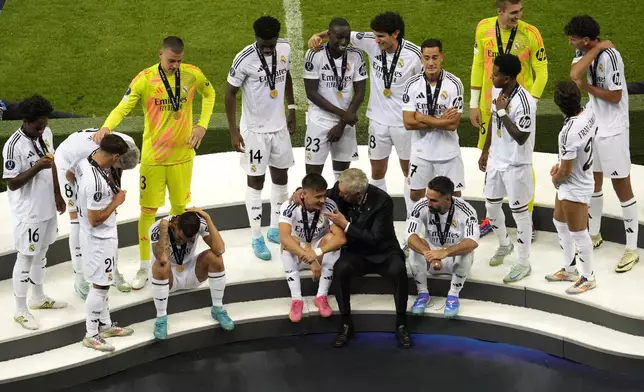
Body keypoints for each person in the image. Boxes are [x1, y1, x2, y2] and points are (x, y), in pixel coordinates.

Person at [93, 36, 216, 290]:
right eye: (171, 60)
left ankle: (180, 259)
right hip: (154, 159)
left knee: (180, 211)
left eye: (179, 61)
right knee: (148, 211)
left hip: (182, 157)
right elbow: (123, 107)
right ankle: (143, 265)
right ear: (160, 53)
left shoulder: (192, 74)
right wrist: (106, 126)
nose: (175, 65)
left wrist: (202, 125)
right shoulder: (145, 79)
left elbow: (210, 93)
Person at [308, 12, 423, 215]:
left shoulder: (414, 55)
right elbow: (342, 33)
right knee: (377, 173)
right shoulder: (370, 41)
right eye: (375, 36)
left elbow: (424, 87)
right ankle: (380, 217)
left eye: (381, 37)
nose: (376, 41)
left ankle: (412, 227)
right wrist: (318, 35)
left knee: (410, 174)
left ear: (395, 34)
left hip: (403, 124)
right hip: (377, 122)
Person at [470, 0, 548, 240]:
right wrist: (474, 104)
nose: (518, 16)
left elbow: (541, 71)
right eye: (514, 12)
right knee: (491, 157)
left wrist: (531, 103)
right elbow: (477, 64)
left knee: (521, 161)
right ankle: (490, 216)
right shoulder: (483, 28)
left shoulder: (530, 33)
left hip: (517, 108)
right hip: (489, 105)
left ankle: (529, 216)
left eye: (520, 11)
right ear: (500, 11)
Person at [567, 15, 638, 273]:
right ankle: (594, 234)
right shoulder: (590, 52)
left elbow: (616, 95)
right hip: (595, 126)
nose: (570, 42)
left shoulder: (611, 58)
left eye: (573, 38)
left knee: (621, 186)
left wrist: (587, 86)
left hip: (614, 130)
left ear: (584, 39)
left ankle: (631, 248)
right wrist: (596, 47)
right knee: (593, 182)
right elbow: (574, 74)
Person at [226, 16, 296, 262]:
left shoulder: (284, 48)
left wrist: (292, 108)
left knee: (281, 177)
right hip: (254, 131)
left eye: (271, 44)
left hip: (279, 129)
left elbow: (285, 75)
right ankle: (256, 236)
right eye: (263, 44)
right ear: (255, 37)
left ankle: (276, 228)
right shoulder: (244, 58)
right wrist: (234, 131)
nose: (267, 48)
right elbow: (230, 93)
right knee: (256, 181)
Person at [323, 168, 411, 348]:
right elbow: (319, 191)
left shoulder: (382, 201)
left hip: (384, 251)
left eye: (344, 194)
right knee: (340, 269)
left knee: (399, 270)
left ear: (357, 194)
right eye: (339, 190)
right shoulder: (340, 190)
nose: (339, 195)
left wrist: (345, 225)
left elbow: (374, 238)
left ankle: (401, 324)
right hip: (357, 252)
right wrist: (299, 192)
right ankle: (346, 324)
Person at [2, 95, 67, 330]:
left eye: (45, 123)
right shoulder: (13, 146)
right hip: (28, 212)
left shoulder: (45, 134)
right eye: (38, 125)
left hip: (47, 206)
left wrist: (58, 194)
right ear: (26, 121)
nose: (42, 128)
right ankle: (20, 310)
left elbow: (54, 163)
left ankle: (38, 298)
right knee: (27, 256)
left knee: (42, 252)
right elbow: (12, 183)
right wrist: (36, 166)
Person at [54, 128, 140, 297]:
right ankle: (80, 277)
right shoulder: (82, 155)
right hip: (68, 162)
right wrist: (83, 200)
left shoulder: (126, 143)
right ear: (115, 158)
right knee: (77, 220)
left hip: (96, 158)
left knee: (111, 214)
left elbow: (116, 171)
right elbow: (71, 176)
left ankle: (112, 270)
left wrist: (112, 199)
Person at [478, 54, 536, 283]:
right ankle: (504, 245)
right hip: (496, 159)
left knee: (521, 215)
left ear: (509, 78)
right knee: (490, 206)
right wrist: (485, 150)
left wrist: (503, 111)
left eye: (496, 74)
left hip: (516, 165)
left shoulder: (525, 102)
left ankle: (523, 263)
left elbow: (522, 137)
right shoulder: (497, 90)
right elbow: (494, 120)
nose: (492, 76)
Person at [74, 134, 134, 352]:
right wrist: (115, 203)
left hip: (95, 235)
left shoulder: (85, 160)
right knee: (100, 286)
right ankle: (91, 334)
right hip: (99, 239)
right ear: (115, 156)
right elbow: (95, 218)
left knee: (104, 282)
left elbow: (71, 176)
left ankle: (106, 325)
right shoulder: (96, 183)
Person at [149, 208, 234, 340]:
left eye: (188, 240)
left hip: (190, 273)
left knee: (215, 257)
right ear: (176, 224)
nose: (182, 242)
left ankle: (218, 309)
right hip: (167, 277)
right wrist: (165, 231)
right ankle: (161, 319)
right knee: (161, 265)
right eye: (180, 238)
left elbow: (220, 249)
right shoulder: (158, 227)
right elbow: (163, 258)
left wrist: (208, 218)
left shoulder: (199, 223)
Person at [402, 38, 466, 206]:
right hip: (420, 151)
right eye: (426, 58)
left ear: (442, 57)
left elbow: (452, 125)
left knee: (454, 197)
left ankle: (452, 230)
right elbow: (408, 123)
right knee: (415, 194)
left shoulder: (454, 84)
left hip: (448, 152)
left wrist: (422, 117)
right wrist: (440, 121)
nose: (431, 62)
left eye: (435, 57)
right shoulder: (411, 84)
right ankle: (415, 229)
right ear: (421, 59)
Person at [547, 81, 597, 294]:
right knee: (559, 221)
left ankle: (588, 276)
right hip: (578, 178)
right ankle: (569, 269)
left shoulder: (567, 132)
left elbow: (566, 171)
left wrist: (556, 178)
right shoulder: (589, 115)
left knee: (578, 233)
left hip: (575, 185)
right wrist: (563, 165)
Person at [406, 176, 479, 317]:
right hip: (429, 259)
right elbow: (409, 236)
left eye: (433, 200)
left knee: (467, 252)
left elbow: (472, 241)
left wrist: (444, 253)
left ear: (447, 198)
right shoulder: (421, 205)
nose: (428, 203)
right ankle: (422, 294)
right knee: (415, 247)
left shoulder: (466, 210)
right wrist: (429, 253)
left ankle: (453, 295)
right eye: (427, 198)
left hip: (453, 259)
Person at [303, 17, 367, 179]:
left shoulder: (356, 55)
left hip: (346, 124)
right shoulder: (314, 55)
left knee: (343, 178)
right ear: (329, 35)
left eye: (346, 37)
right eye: (339, 37)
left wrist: (342, 122)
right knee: (312, 177)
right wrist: (344, 115)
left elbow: (360, 92)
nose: (344, 41)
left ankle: (337, 205)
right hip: (319, 121)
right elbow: (311, 93)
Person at [279, 173, 346, 322]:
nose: (322, 200)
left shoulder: (329, 205)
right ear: (303, 194)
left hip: (317, 249)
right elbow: (283, 237)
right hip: (300, 249)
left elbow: (341, 238)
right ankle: (297, 299)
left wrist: (316, 253)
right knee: (288, 242)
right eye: (317, 197)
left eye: (324, 195)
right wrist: (311, 260)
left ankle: (321, 296)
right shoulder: (289, 206)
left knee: (331, 240)